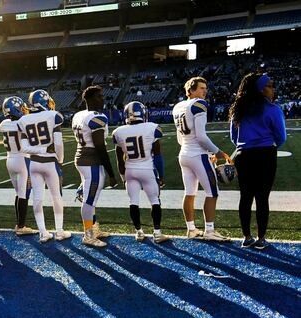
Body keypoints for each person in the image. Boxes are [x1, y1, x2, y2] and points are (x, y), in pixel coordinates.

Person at [229, 73, 287, 249]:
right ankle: (261, 239)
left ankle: (246, 237)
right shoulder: (272, 109)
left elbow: (234, 137)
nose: (272, 89)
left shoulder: (238, 109)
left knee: (245, 197)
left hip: (243, 155)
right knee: (262, 197)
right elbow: (281, 137)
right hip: (265, 155)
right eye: (269, 86)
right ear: (260, 90)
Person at [172, 77, 228, 241]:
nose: (205, 91)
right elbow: (202, 137)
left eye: (205, 88)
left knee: (189, 193)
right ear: (190, 90)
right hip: (197, 155)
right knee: (212, 192)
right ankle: (209, 231)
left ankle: (191, 229)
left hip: (184, 154)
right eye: (201, 88)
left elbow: (179, 138)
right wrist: (218, 153)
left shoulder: (178, 106)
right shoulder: (198, 105)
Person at [112, 101, 170, 243]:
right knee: (155, 201)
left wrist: (123, 176)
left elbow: (119, 160)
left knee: (133, 202)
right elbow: (158, 156)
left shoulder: (118, 132)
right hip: (147, 170)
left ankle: (138, 232)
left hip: (130, 170)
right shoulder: (152, 128)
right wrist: (161, 175)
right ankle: (157, 233)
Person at [18, 90, 71, 242]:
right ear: (44, 101)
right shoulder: (53, 116)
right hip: (50, 163)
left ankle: (43, 232)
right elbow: (59, 144)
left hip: (34, 163)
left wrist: (40, 150)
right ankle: (59, 231)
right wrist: (59, 159)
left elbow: (23, 148)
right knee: (56, 197)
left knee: (37, 198)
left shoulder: (24, 120)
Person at [73, 86, 117, 247]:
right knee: (89, 200)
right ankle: (88, 235)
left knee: (90, 198)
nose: (102, 99)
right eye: (99, 96)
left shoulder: (78, 115)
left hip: (81, 157)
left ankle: (94, 229)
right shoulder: (97, 117)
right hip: (91, 160)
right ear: (90, 99)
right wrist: (111, 173)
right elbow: (100, 147)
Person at [0, 96, 35, 235]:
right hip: (23, 160)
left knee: (19, 194)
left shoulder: (4, 124)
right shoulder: (24, 122)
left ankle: (19, 223)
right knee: (24, 194)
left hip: (10, 160)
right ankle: (21, 226)